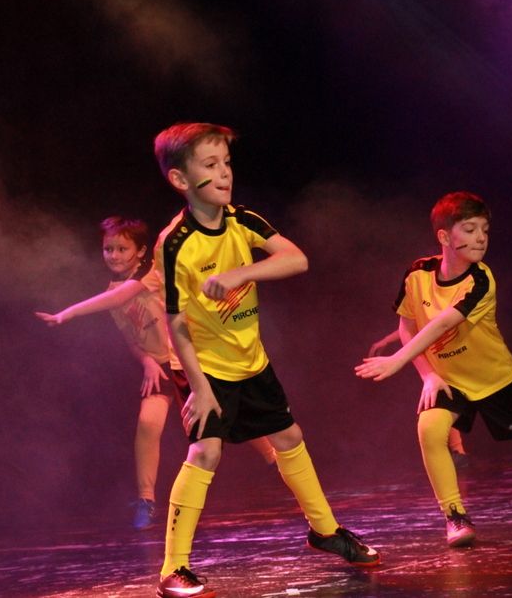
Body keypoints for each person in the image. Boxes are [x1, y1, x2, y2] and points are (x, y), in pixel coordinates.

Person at [151, 123, 379, 598]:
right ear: (179, 179)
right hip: (203, 366)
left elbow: (296, 259)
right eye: (210, 165)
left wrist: (241, 274)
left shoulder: (243, 221)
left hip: (250, 360)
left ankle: (325, 531)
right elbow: (175, 324)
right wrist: (200, 388)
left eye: (227, 163)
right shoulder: (175, 244)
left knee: (290, 437)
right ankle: (173, 569)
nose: (224, 173)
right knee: (207, 452)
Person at [356, 191, 512, 549]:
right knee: (429, 429)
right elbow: (408, 326)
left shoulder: (481, 281)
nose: (481, 237)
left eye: (485, 230)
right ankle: (455, 515)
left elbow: (441, 324)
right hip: (449, 380)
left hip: (494, 378)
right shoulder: (417, 274)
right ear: (444, 237)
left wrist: (398, 360)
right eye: (470, 230)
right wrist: (428, 375)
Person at [36, 217, 278, 532]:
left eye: (122, 249)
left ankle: (275, 460)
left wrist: (66, 314)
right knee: (147, 426)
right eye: (108, 249)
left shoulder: (152, 274)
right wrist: (147, 361)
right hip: (161, 367)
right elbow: (132, 339)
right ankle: (146, 500)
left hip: (190, 359)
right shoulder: (110, 291)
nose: (114, 255)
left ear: (140, 252)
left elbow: (123, 297)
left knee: (230, 414)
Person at [367, 329, 470, 466]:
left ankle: (457, 451)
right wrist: (386, 340)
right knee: (441, 406)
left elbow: (417, 328)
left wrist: (387, 341)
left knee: (443, 404)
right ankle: (456, 451)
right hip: (434, 359)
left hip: (444, 359)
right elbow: (407, 328)